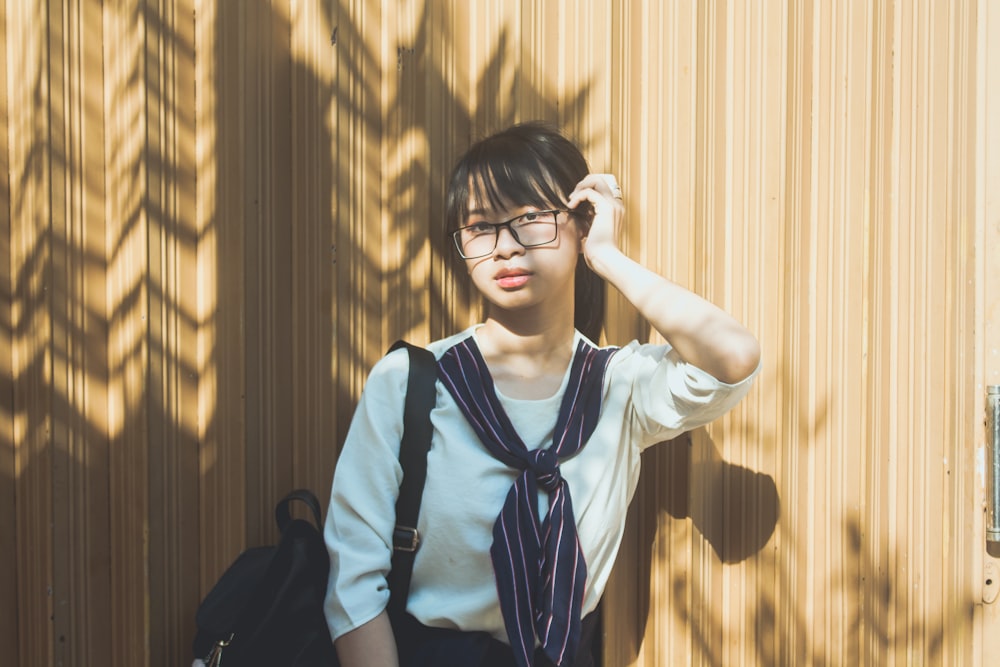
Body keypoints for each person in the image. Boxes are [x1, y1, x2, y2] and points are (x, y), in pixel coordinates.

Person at [323, 121, 761, 667]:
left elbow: (733, 356)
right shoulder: (411, 380)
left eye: (530, 218)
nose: (505, 247)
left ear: (581, 224)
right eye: (480, 227)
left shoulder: (618, 385)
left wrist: (607, 258)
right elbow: (354, 580)